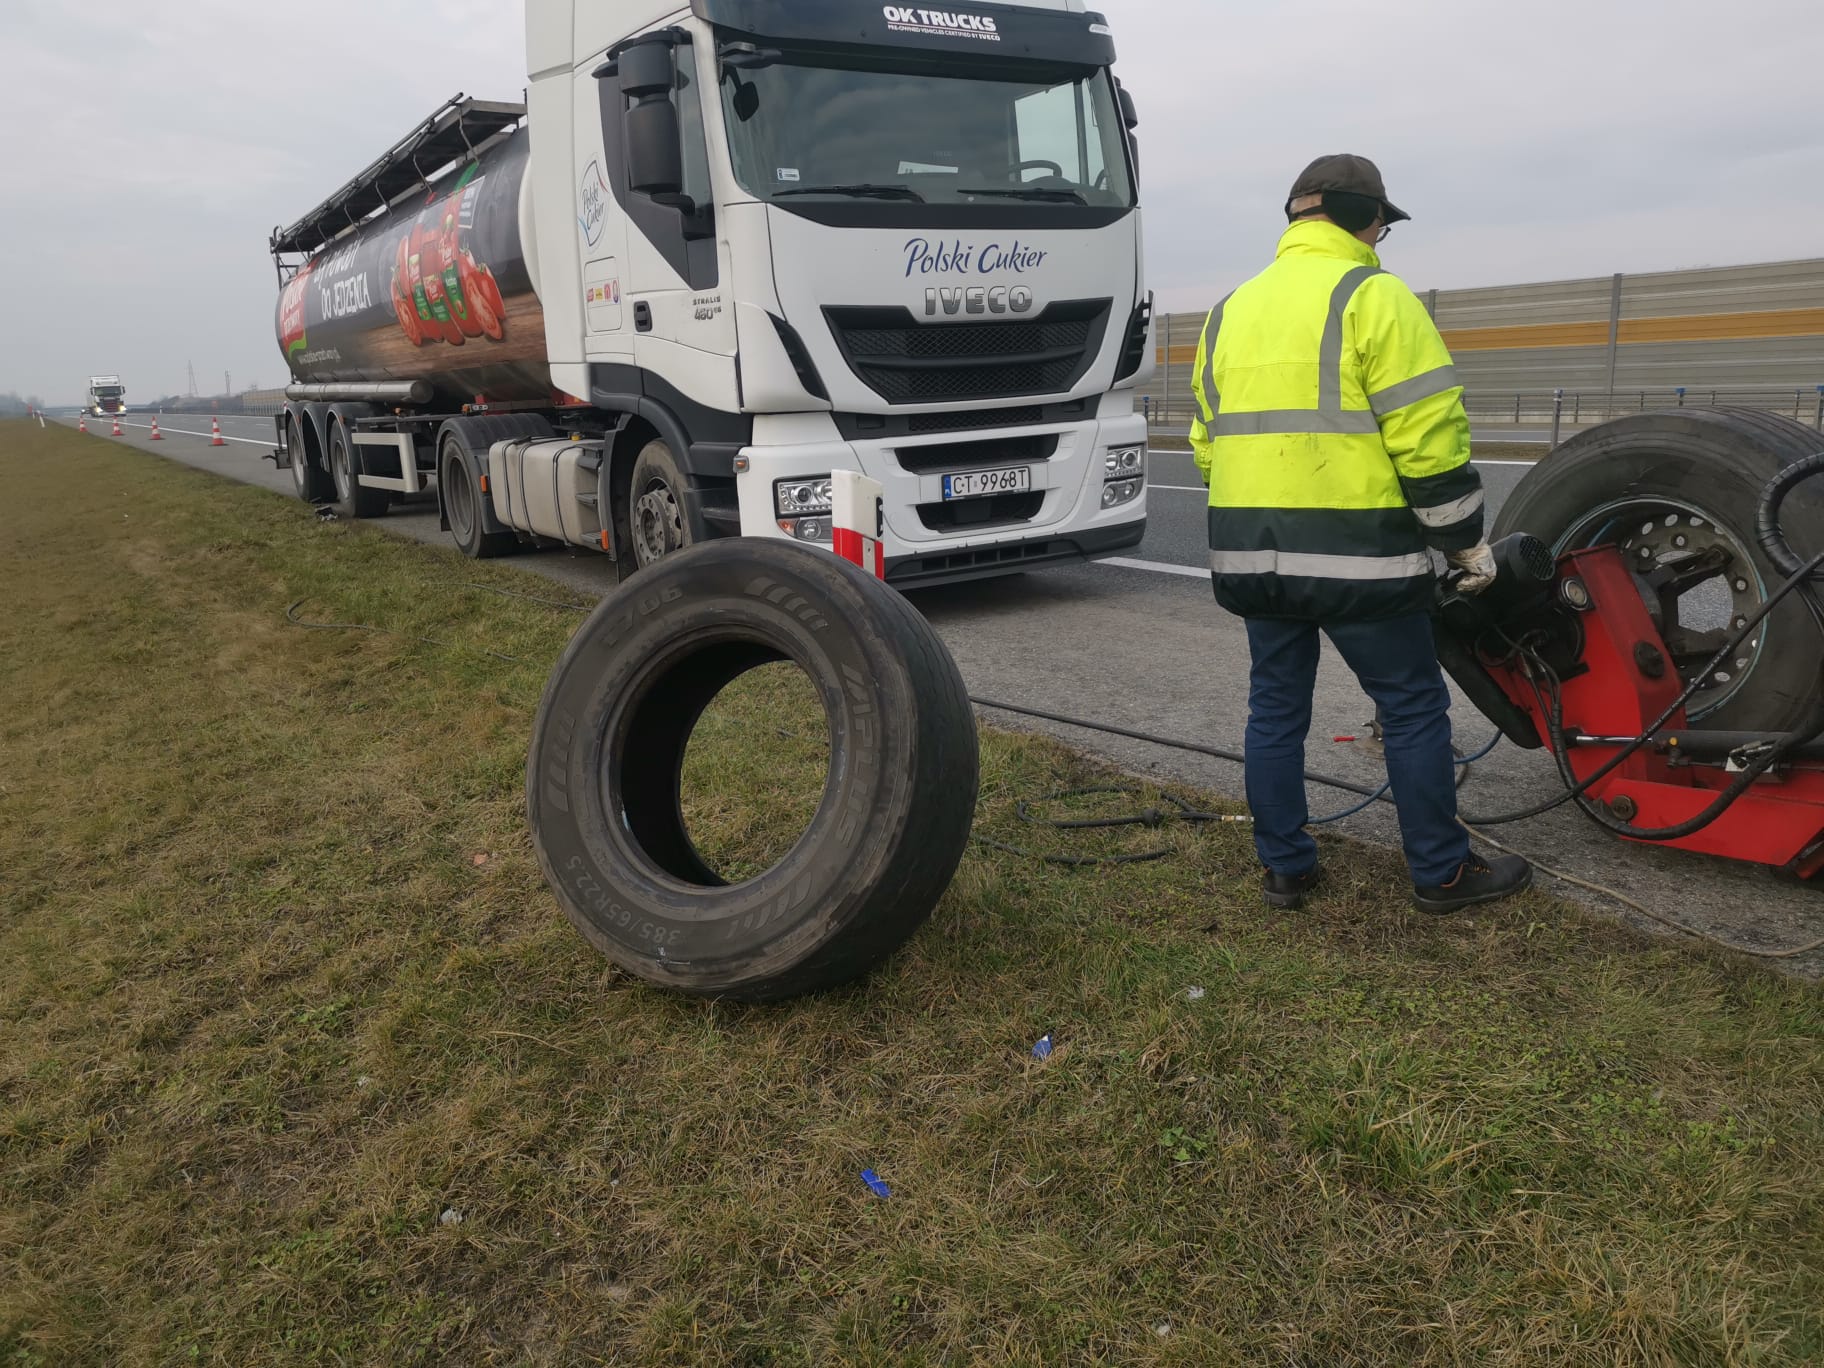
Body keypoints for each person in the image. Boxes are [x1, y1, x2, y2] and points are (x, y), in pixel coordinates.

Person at [1189, 154, 1533, 916]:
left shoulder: (1229, 310)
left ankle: (1286, 871)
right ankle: (1441, 873)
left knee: (1274, 709)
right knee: (1411, 708)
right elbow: (1429, 439)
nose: (1383, 236)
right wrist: (1464, 544)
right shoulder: (1376, 297)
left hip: (1253, 555)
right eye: (1381, 222)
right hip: (1359, 558)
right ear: (1358, 217)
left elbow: (1208, 444)